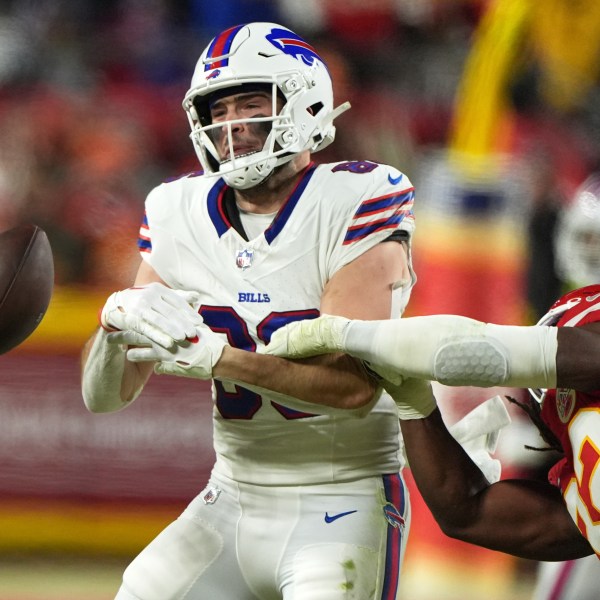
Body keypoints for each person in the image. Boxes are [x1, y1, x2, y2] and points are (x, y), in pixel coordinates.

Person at [81, 22, 418, 600]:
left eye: (251, 102)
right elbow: (105, 398)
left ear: (304, 102)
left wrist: (222, 360)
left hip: (343, 495)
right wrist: (115, 327)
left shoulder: (356, 199)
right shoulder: (176, 210)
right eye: (218, 109)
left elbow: (351, 388)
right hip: (232, 494)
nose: (231, 126)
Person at [263, 284, 600, 561]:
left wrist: (347, 334)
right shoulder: (581, 494)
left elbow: (490, 352)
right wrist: (414, 402)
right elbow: (469, 514)